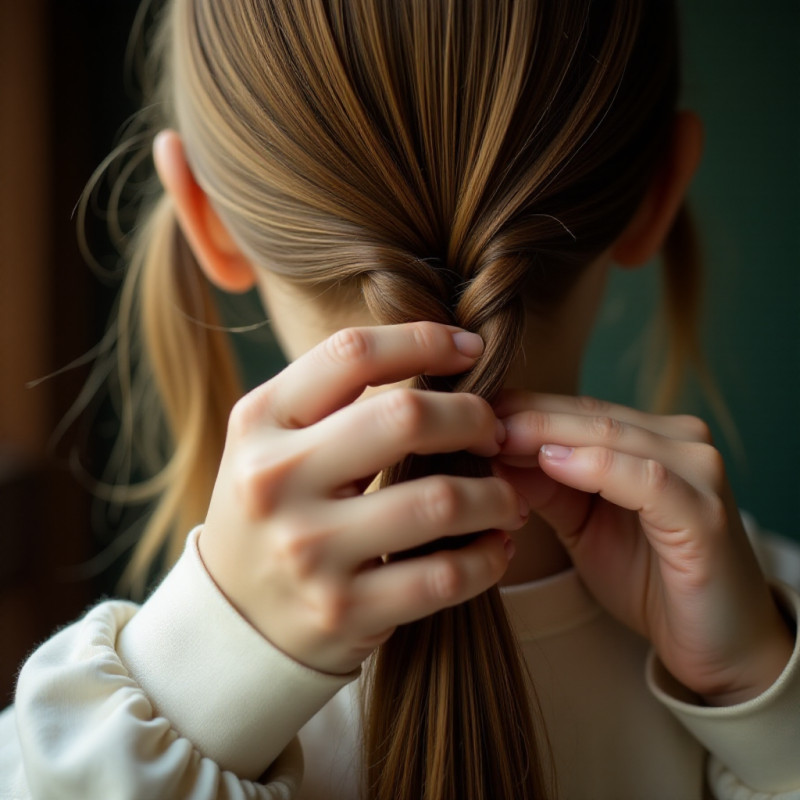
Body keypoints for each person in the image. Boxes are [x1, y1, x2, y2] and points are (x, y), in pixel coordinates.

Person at [1, 0, 799, 797]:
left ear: (203, 216)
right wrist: (764, 705)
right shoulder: (766, 651)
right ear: (659, 194)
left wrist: (199, 676)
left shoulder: (104, 746)